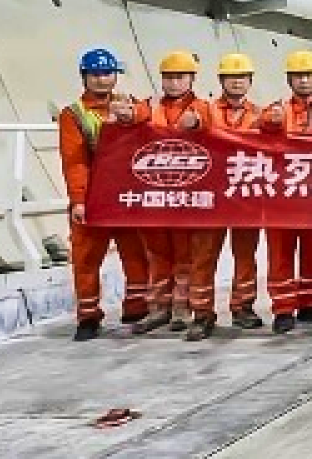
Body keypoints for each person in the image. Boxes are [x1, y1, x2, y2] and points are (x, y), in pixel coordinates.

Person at [57, 48, 149, 341]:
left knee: (136, 254)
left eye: (107, 73)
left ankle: (137, 308)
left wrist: (133, 115)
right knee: (86, 258)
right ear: (84, 77)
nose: (101, 79)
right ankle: (88, 317)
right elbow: (75, 162)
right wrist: (79, 201)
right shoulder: (74, 115)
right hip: (94, 197)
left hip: (126, 196)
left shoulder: (129, 104)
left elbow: (150, 116)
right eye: (95, 74)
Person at [181, 52, 265, 341]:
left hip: (245, 196)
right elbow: (188, 126)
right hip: (212, 196)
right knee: (203, 255)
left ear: (250, 81)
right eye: (231, 78)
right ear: (221, 81)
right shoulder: (205, 109)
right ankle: (202, 313)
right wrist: (190, 123)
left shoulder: (260, 114)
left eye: (242, 78)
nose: (237, 82)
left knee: (245, 254)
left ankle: (243, 307)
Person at [132, 51, 204, 335]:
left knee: (185, 254)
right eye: (169, 78)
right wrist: (126, 115)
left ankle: (182, 308)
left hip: (187, 196)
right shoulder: (150, 106)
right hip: (155, 195)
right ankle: (158, 307)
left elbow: (211, 125)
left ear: (191, 79)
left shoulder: (202, 107)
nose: (174, 83)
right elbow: (134, 117)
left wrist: (196, 123)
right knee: (157, 254)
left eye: (180, 77)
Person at [261, 50, 312, 334]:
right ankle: (283, 309)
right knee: (280, 254)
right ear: (289, 80)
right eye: (298, 76)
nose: (303, 81)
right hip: (281, 197)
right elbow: (261, 129)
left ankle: (310, 303)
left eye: (308, 75)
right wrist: (271, 122)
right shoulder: (277, 110)